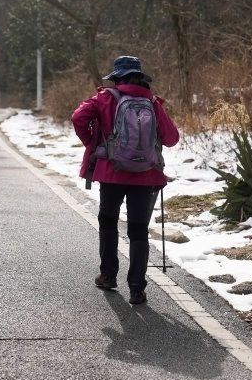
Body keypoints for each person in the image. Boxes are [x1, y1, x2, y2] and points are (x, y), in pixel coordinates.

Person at [71, 56, 179, 305]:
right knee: (138, 230)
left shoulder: (105, 98)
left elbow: (78, 118)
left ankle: (108, 275)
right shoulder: (152, 103)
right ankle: (137, 289)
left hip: (111, 171)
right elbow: (172, 138)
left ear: (117, 77)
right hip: (146, 174)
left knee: (108, 221)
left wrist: (96, 144)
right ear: (140, 77)